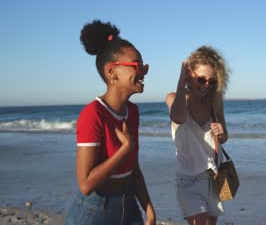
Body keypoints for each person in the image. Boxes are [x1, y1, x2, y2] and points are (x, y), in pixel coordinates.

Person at [65, 20, 156, 225]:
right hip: (95, 210)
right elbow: (86, 184)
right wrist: (125, 149)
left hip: (129, 204)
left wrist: (148, 208)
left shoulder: (132, 111)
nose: (143, 72)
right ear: (111, 72)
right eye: (137, 66)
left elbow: (133, 168)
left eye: (144, 66)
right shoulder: (93, 114)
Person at [165, 46, 230, 225]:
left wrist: (222, 133)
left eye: (212, 81)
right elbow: (178, 117)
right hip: (188, 179)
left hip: (214, 176)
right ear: (189, 75)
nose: (206, 86)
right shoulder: (173, 98)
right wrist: (180, 81)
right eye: (201, 80)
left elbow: (224, 138)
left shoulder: (215, 103)